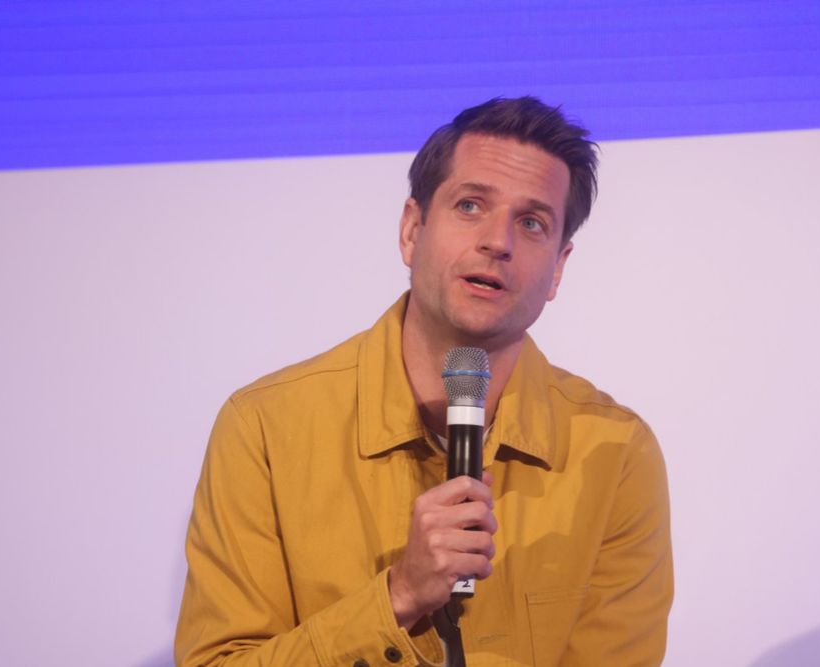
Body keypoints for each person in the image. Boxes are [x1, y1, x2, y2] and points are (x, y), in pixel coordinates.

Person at [175, 96, 673, 666]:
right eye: (470, 205)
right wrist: (399, 596)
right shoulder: (265, 427)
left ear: (558, 268)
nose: (498, 241)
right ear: (412, 230)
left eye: (531, 222)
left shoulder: (616, 453)